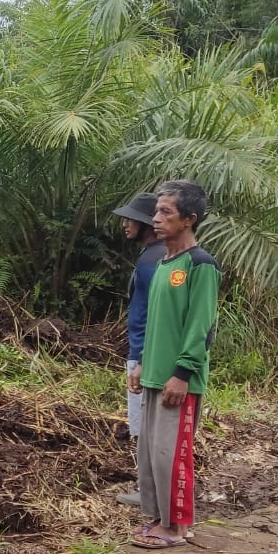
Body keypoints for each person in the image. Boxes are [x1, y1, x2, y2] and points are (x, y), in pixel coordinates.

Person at [128, 180, 220, 549]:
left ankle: (177, 528)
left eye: (166, 212)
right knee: (150, 454)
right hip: (153, 374)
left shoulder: (200, 265)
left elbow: (201, 327)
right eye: (157, 211)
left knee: (171, 456)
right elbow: (159, 324)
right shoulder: (165, 262)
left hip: (178, 381)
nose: (156, 218)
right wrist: (142, 364)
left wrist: (182, 373)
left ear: (189, 219)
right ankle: (158, 519)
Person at [112, 192, 164, 507]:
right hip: (146, 351)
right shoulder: (156, 255)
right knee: (147, 425)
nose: (124, 224)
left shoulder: (151, 260)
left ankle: (150, 493)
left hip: (145, 354)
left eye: (130, 219)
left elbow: (157, 313)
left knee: (145, 426)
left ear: (146, 224)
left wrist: (143, 357)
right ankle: (152, 490)